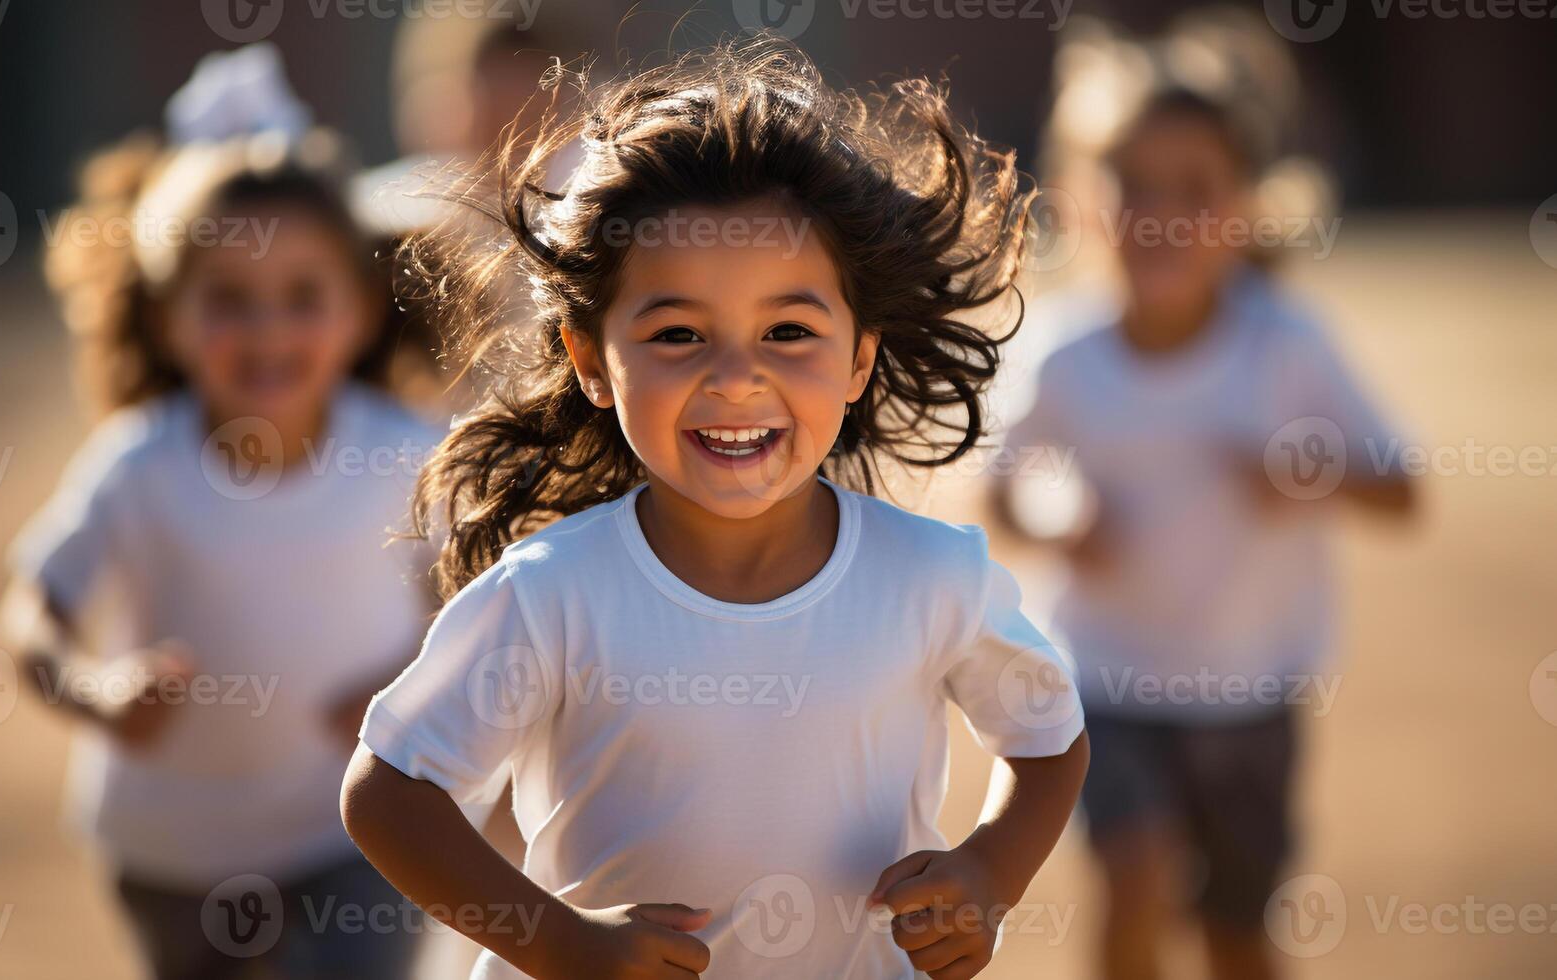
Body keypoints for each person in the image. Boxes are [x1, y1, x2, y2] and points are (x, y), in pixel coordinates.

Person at [340, 35, 1090, 980]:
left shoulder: (933, 575)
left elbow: (1048, 736)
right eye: (678, 333)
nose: (736, 379)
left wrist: (989, 873)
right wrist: (564, 944)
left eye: (787, 331)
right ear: (589, 362)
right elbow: (386, 793)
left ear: (860, 357)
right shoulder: (550, 592)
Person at [0, 52, 485, 978]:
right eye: (227, 301)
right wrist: (92, 689)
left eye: (303, 297)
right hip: (171, 851)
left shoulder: (408, 456)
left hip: (359, 822)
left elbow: (468, 598)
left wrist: (404, 676)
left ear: (361, 310)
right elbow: (31, 614)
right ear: (166, 317)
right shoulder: (139, 465)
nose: (267, 331)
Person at [992, 13, 1415, 980]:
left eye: (1194, 189)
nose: (1161, 214)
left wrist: (1308, 474)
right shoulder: (1063, 354)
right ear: (1083, 198)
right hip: (1107, 682)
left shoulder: (1286, 343)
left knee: (1236, 931)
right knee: (1132, 872)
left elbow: (1402, 490)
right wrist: (1062, 516)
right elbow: (1005, 493)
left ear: (1250, 204)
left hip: (1251, 692)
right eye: (1132, 185)